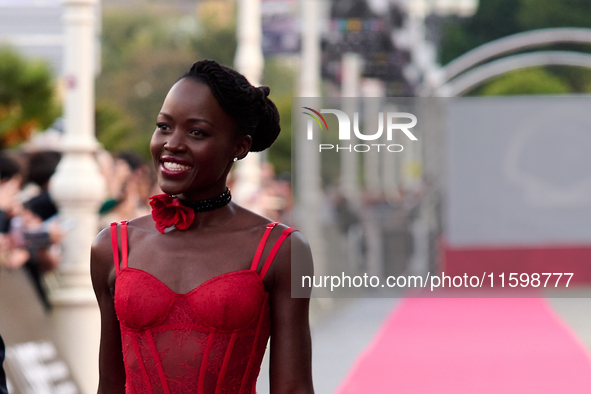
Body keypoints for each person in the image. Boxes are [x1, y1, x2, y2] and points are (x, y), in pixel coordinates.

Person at [91, 60, 314, 394]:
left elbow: (293, 388)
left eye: (197, 132)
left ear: (239, 146)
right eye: (164, 126)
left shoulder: (281, 250)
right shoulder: (113, 246)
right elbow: (110, 384)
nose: (172, 143)